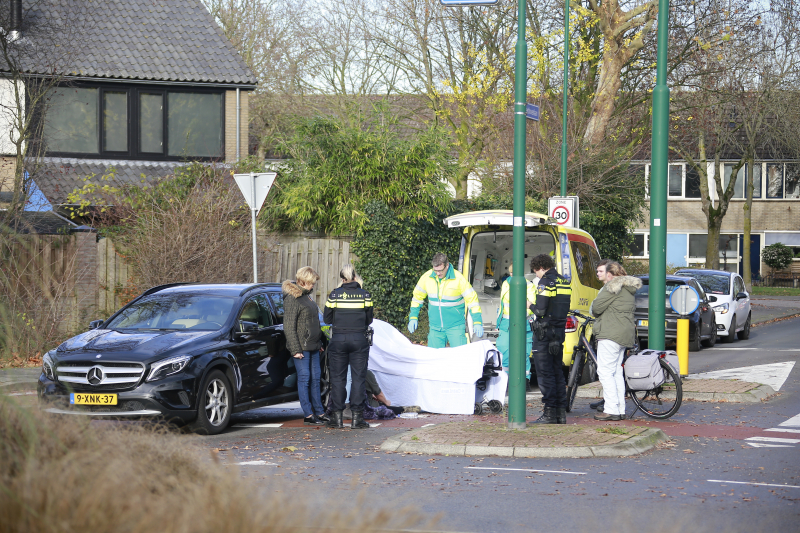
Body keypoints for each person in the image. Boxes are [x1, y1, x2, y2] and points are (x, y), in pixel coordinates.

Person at [324, 264, 374, 429]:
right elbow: (369, 320)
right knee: (358, 378)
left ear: (342, 279)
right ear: (355, 277)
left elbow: (327, 319)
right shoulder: (365, 295)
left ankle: (337, 418)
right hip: (359, 339)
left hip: (338, 339)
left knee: (338, 379)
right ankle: (356, 419)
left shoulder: (334, 295)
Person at [590, 260, 642, 421]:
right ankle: (620, 409)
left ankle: (611, 409)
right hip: (624, 335)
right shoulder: (628, 289)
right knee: (617, 372)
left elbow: (596, 309)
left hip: (610, 333)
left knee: (605, 372)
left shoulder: (611, 287)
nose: (600, 274)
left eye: (603, 272)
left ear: (610, 275)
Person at [528, 254, 572, 424]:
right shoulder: (564, 281)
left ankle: (549, 413)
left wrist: (529, 305)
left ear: (540, 267)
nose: (536, 275)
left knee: (545, 374)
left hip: (544, 334)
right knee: (557, 372)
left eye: (536, 271)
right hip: (559, 332)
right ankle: (560, 413)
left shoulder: (545, 282)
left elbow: (540, 310)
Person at [282, 266, 328, 426]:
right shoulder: (292, 298)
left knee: (315, 379)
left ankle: (319, 412)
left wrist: (319, 343)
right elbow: (289, 326)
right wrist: (295, 349)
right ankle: (308, 414)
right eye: (312, 282)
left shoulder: (307, 296)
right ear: (304, 281)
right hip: (301, 347)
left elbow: (314, 322)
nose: (313, 285)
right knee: (305, 378)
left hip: (313, 346)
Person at [407, 252, 483, 348]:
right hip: (435, 328)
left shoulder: (459, 279)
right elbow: (417, 298)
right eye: (435, 270)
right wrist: (413, 317)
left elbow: (472, 301)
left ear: (447, 265)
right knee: (434, 356)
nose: (438, 273)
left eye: (440, 270)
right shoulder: (427, 278)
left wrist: (477, 322)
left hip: (456, 327)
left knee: (459, 356)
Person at [495, 265, 537, 382]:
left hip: (523, 323)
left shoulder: (528, 285)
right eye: (511, 273)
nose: (512, 275)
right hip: (506, 323)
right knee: (505, 351)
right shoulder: (506, 284)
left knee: (523, 354)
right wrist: (498, 323)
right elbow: (502, 305)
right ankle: (506, 380)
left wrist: (519, 316)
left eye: (514, 273)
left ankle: (525, 380)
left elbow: (531, 305)